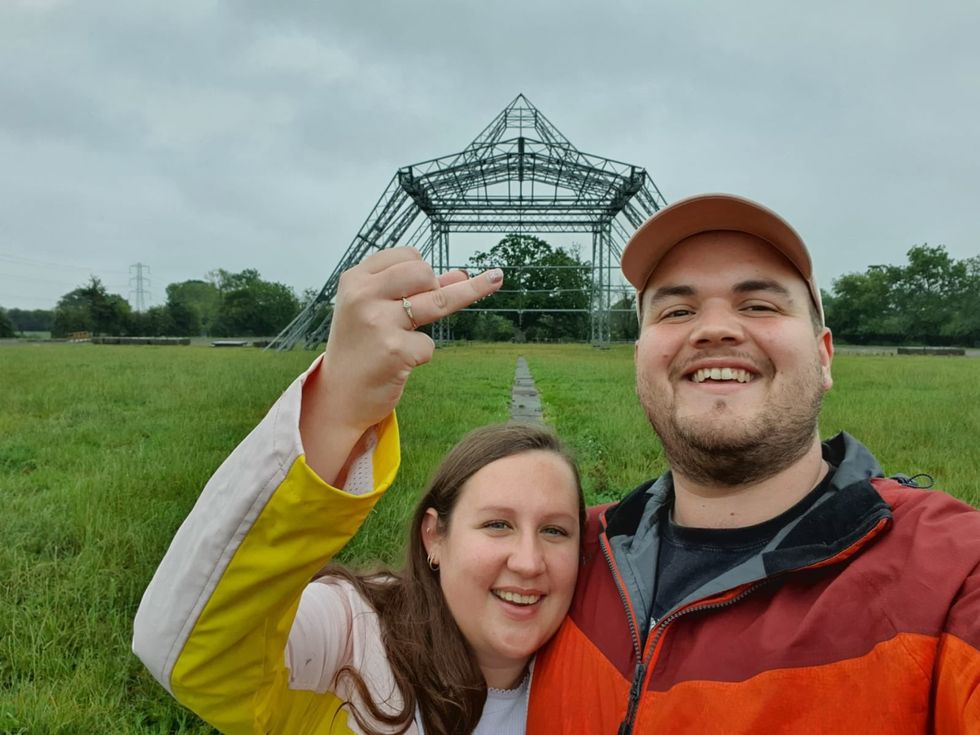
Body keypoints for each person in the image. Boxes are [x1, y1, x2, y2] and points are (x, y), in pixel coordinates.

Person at [272, 194, 979, 734]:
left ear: (824, 354)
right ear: (640, 358)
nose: (715, 327)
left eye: (760, 303)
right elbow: (227, 643)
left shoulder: (949, 577)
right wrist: (334, 408)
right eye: (675, 312)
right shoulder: (576, 555)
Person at [132, 254, 586, 734]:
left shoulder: (606, 674)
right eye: (497, 524)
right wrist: (335, 405)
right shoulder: (352, 633)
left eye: (555, 531)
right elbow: (190, 654)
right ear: (434, 537)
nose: (528, 562)